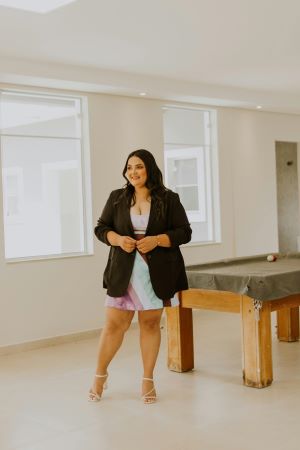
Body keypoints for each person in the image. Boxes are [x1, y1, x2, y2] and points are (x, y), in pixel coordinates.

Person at [89, 149, 192, 404]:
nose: (133, 172)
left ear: (150, 170)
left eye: (139, 167)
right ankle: (99, 375)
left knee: (149, 324)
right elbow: (101, 228)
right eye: (129, 167)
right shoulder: (117, 198)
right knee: (114, 325)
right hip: (123, 271)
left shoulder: (169, 199)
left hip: (156, 273)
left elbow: (184, 232)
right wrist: (117, 239)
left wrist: (157, 240)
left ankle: (148, 380)